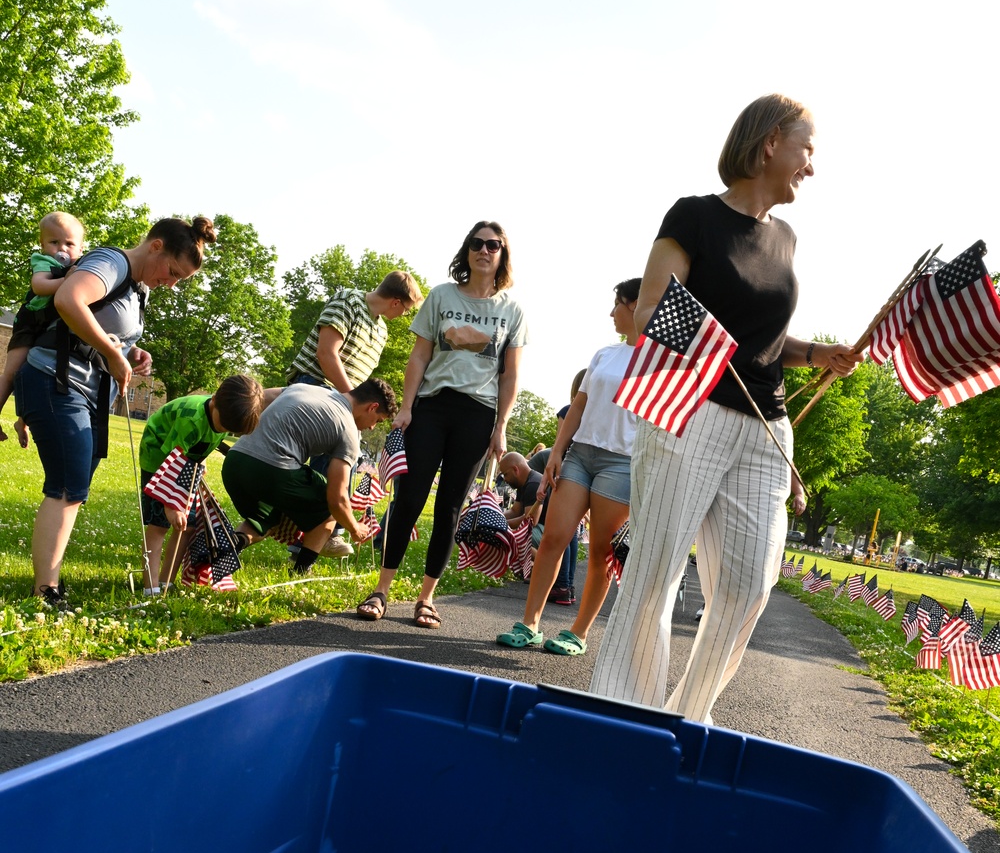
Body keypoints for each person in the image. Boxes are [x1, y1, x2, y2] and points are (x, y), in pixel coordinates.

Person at [589, 95, 859, 721]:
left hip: (768, 427)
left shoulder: (787, 239)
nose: (811, 167)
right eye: (807, 148)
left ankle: (689, 718)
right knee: (653, 574)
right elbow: (654, 309)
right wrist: (714, 346)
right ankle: (627, 717)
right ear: (770, 144)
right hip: (689, 412)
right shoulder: (694, 217)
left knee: (747, 589)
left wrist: (818, 353)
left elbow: (759, 341)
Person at [13, 215, 215, 606]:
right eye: (172, 272)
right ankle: (45, 590)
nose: (171, 284)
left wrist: (130, 353)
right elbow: (68, 299)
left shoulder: (140, 287)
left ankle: (49, 582)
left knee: (75, 489)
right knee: (67, 485)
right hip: (55, 382)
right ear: (155, 246)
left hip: (87, 391)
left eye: (179, 281)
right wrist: (111, 352)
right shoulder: (111, 263)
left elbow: (107, 332)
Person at [355, 220, 528, 628]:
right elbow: (419, 356)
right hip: (432, 406)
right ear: (467, 251)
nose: (484, 250)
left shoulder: (513, 310)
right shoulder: (441, 296)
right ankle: (381, 589)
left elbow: (510, 375)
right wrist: (406, 407)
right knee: (409, 499)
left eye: (493, 245)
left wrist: (501, 426)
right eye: (477, 243)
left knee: (449, 507)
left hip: (478, 414)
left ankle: (426, 598)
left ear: (503, 254)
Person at [497, 279, 642, 656]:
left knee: (599, 553)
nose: (611, 313)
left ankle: (577, 632)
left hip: (622, 463)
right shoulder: (604, 354)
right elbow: (579, 405)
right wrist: (558, 450)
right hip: (580, 455)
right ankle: (530, 623)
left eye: (617, 304)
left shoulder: (662, 362)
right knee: (553, 537)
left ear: (636, 305)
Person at [288, 270, 423, 555]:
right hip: (315, 386)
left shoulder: (381, 330)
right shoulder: (347, 301)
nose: (404, 315)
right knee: (331, 459)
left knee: (340, 459)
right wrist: (352, 402)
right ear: (396, 302)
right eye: (407, 309)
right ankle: (318, 528)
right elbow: (326, 354)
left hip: (344, 400)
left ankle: (315, 533)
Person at [222, 376, 396, 573]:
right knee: (327, 506)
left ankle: (225, 547)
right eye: (377, 421)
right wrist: (355, 529)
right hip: (271, 472)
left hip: (233, 463)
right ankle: (301, 570)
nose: (372, 427)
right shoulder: (349, 432)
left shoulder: (306, 388)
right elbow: (337, 499)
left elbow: (257, 397)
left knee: (266, 519)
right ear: (372, 407)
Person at [138, 374, 264, 593]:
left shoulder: (223, 414)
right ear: (214, 399)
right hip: (159, 462)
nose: (222, 430)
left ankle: (167, 582)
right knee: (159, 526)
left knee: (187, 526)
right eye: (222, 425)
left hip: (187, 465)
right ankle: (151, 588)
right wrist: (172, 506)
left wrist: (200, 466)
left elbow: (202, 446)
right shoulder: (191, 420)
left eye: (228, 430)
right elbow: (171, 463)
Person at [0, 212, 85, 445]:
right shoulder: (43, 261)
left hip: (49, 328)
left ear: (80, 247)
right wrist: (66, 280)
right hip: (29, 324)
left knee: (35, 371)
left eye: (69, 243)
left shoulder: (80, 265)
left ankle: (22, 421)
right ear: (42, 244)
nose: (62, 249)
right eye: (54, 242)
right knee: (13, 372)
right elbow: (39, 286)